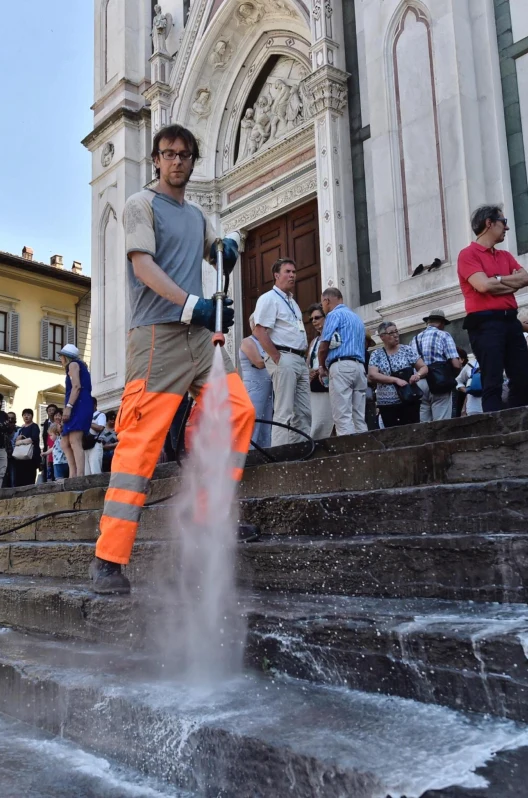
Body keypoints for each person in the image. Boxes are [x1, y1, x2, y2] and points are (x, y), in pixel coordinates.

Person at [93, 122, 254, 595]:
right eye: (169, 154)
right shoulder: (140, 205)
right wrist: (191, 305)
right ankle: (109, 558)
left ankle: (208, 520)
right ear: (157, 160)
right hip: (157, 339)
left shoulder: (197, 215)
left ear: (193, 160)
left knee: (238, 412)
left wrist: (225, 250)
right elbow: (142, 267)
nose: (177, 161)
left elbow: (211, 252)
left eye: (185, 154)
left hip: (201, 341)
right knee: (140, 444)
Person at [457, 204, 528, 412]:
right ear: (489, 223)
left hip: (510, 320)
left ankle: (519, 423)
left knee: (521, 377)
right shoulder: (468, 254)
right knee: (492, 379)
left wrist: (497, 280)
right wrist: (508, 284)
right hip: (485, 323)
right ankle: (495, 427)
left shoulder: (505, 256)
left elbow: (526, 279)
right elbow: (483, 285)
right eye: (504, 222)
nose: (507, 228)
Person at [252, 258, 311, 445]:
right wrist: (277, 357)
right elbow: (259, 330)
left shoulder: (293, 303)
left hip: (300, 360)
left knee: (304, 412)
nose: (292, 275)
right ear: (276, 275)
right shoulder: (269, 298)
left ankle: (299, 450)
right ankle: (279, 453)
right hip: (284, 357)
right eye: (287, 271)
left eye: (294, 271)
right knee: (284, 410)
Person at [315, 287, 368, 436]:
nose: (323, 307)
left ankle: (350, 454)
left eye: (322, 304)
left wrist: (321, 366)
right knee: (359, 417)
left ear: (326, 301)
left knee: (342, 416)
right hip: (359, 367)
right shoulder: (356, 318)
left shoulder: (333, 315)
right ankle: (365, 450)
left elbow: (323, 345)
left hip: (341, 365)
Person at [368, 321, 427, 428]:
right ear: (382, 337)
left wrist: (417, 375)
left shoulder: (407, 350)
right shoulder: (377, 354)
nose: (395, 335)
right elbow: (372, 375)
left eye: (396, 331)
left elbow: (423, 367)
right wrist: (395, 380)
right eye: (391, 333)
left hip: (409, 399)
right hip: (387, 404)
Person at [412, 309, 462, 422]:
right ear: (441, 323)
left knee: (424, 424)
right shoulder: (443, 335)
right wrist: (452, 376)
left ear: (428, 322)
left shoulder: (415, 339)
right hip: (439, 382)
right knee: (441, 422)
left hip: (419, 382)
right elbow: (456, 364)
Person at [58, 344, 95, 478]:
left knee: (74, 440)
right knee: (65, 442)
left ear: (66, 357)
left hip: (78, 404)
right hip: (77, 403)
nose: (60, 359)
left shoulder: (73, 365)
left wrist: (69, 407)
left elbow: (77, 387)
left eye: (61, 356)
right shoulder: (76, 366)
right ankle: (72, 474)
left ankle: (79, 475)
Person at [239, 321, 274, 451]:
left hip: (268, 388)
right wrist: (278, 356)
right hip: (254, 388)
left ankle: (265, 450)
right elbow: (259, 363)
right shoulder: (247, 342)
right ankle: (248, 451)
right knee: (255, 421)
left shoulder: (266, 342)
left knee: (267, 422)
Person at [305, 303, 334, 440]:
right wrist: (309, 371)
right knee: (316, 421)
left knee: (330, 419)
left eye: (317, 318)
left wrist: (321, 369)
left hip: (329, 383)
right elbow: (308, 362)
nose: (314, 322)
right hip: (315, 386)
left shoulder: (334, 337)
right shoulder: (314, 341)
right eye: (312, 319)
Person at [12, 409, 42, 487]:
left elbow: (33, 439)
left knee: (29, 477)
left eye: (28, 414)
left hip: (31, 456)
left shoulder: (34, 426)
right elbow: (16, 441)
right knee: (19, 478)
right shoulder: (21, 429)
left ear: (32, 416)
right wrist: (19, 441)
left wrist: (21, 442)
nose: (26, 416)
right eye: (24, 415)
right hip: (20, 457)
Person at [85, 405, 107, 476]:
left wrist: (87, 422)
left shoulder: (100, 415)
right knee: (86, 471)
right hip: (84, 444)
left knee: (95, 469)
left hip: (95, 443)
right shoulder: (84, 415)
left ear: (94, 405)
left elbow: (100, 428)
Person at [49, 409, 69, 480]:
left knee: (62, 479)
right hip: (58, 461)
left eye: (59, 415)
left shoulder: (64, 435)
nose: (57, 417)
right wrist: (45, 453)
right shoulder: (56, 441)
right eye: (55, 415)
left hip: (65, 461)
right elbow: (52, 448)